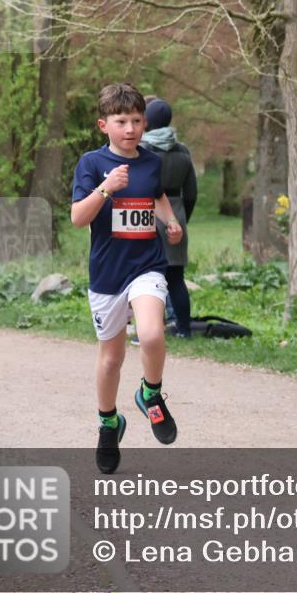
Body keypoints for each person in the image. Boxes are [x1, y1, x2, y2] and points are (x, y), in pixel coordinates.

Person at [71, 83, 183, 474]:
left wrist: (169, 221)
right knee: (112, 358)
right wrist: (105, 188)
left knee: (151, 334)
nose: (131, 128)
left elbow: (157, 196)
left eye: (136, 120)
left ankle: (150, 394)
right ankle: (108, 423)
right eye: (121, 121)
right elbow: (78, 218)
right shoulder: (91, 163)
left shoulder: (151, 162)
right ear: (104, 125)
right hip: (107, 274)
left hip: (146, 265)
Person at [140, 98, 198, 338]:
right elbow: (191, 192)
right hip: (176, 215)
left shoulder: (142, 149)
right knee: (176, 278)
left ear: (147, 121)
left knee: (148, 279)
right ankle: (184, 330)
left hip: (146, 213)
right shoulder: (182, 150)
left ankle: (150, 329)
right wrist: (181, 218)